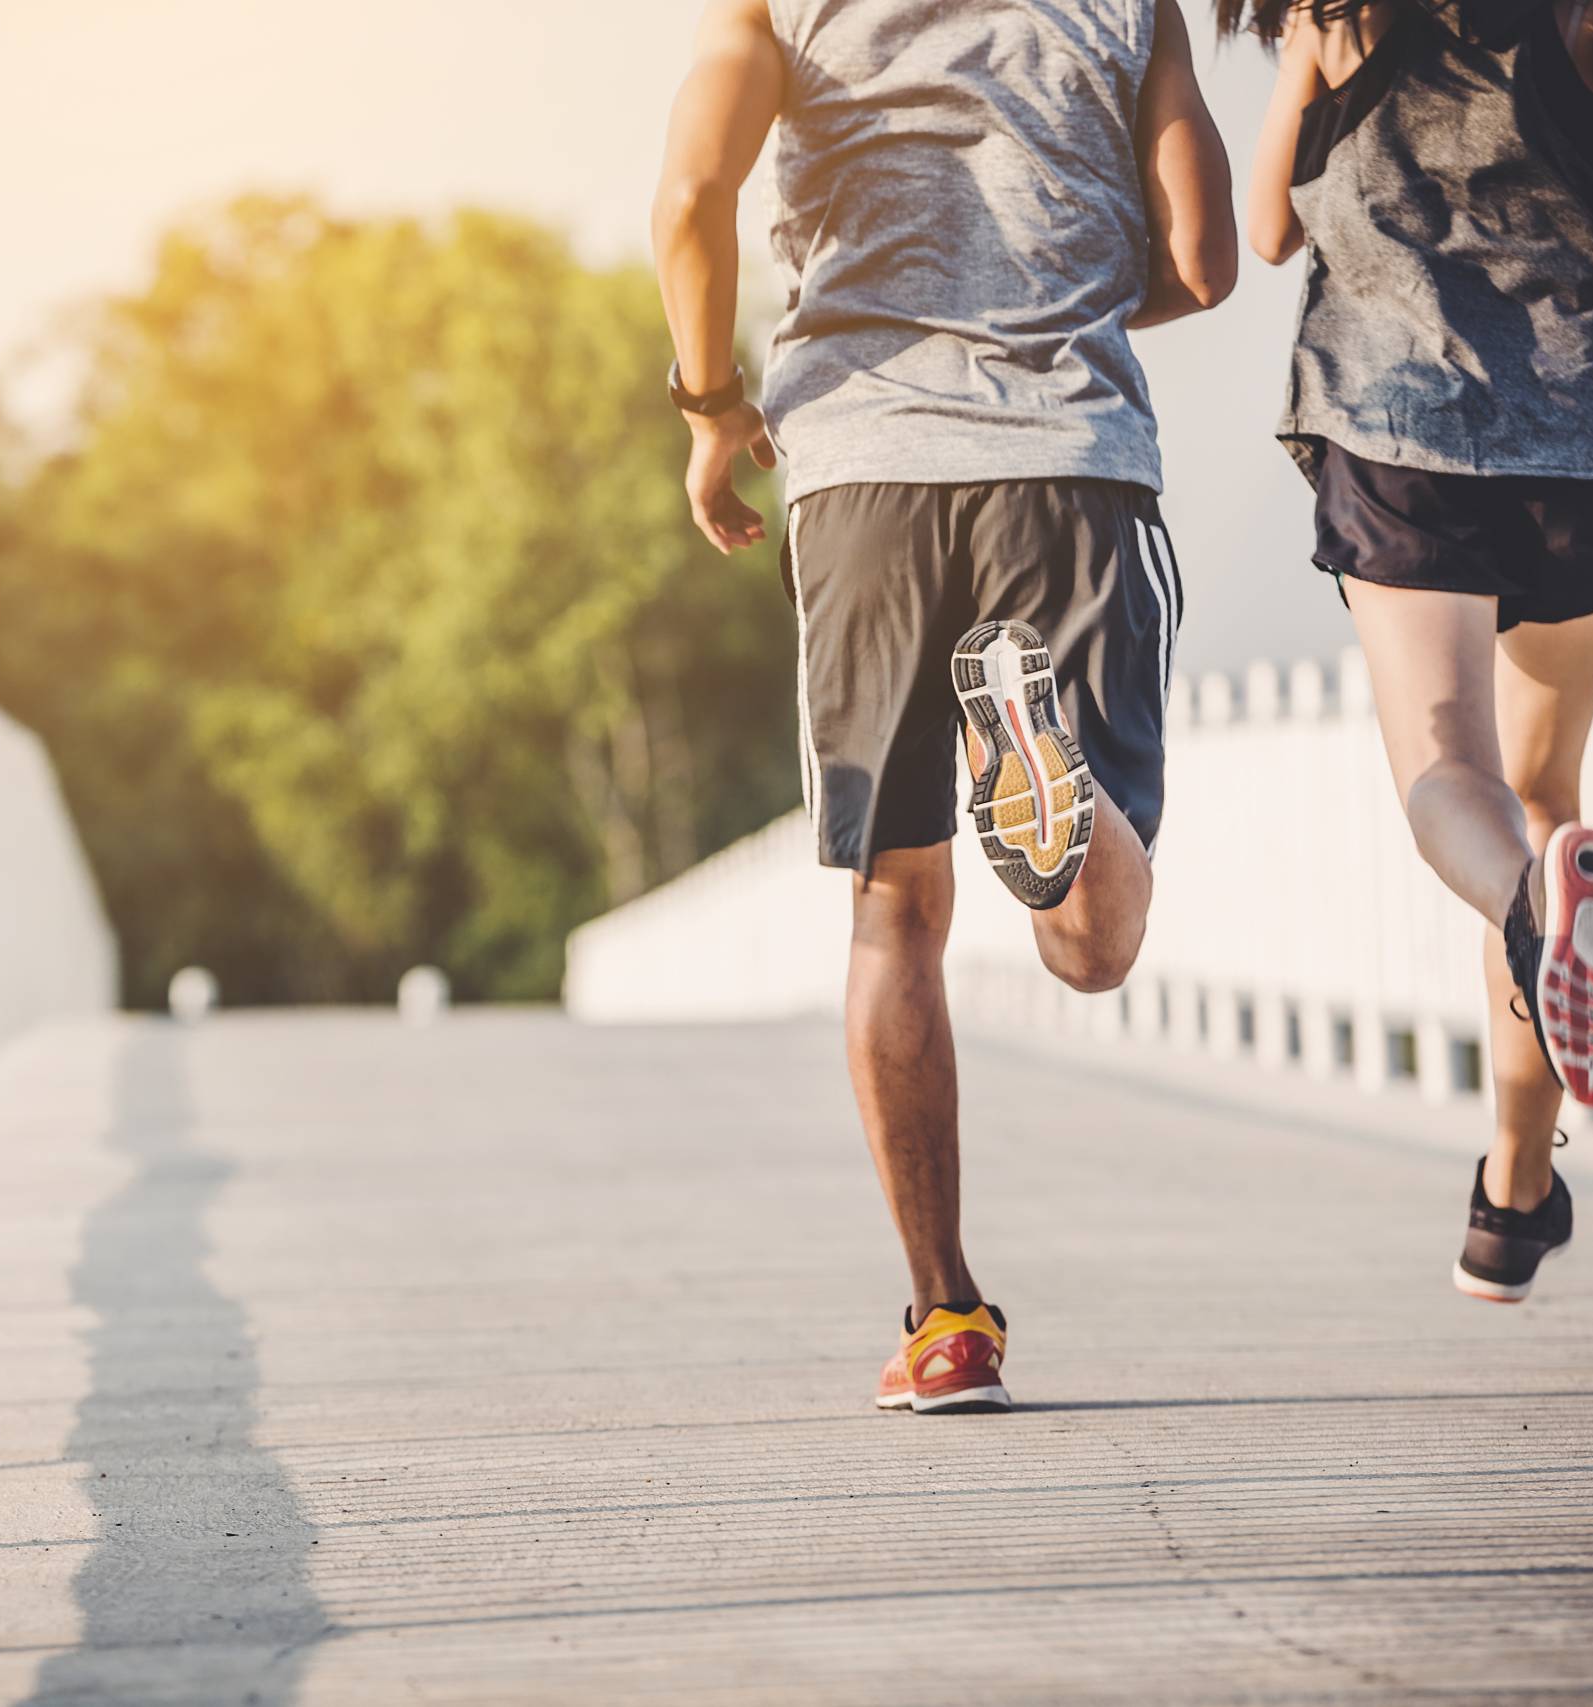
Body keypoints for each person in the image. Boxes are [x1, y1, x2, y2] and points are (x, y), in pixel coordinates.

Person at [651, 0, 1235, 1411]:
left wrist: (712, 405)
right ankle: (1045, 765)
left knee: (892, 909)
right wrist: (1077, 292)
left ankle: (945, 1320)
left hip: (863, 470)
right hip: (1071, 463)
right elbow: (1205, 261)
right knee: (1089, 947)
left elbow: (688, 199)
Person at [1228, 0, 1593, 1300]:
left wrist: (1314, 63)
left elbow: (1267, 226)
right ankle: (1514, 1196)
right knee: (1547, 800)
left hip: (1399, 430)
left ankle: (1532, 916)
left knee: (1456, 781)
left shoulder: (1330, 14)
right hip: (1590, 431)